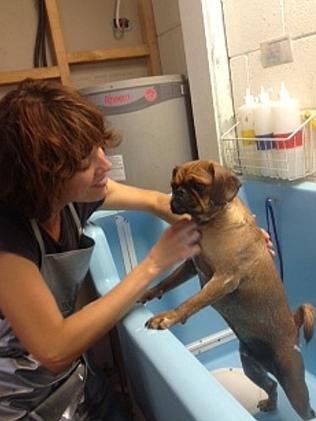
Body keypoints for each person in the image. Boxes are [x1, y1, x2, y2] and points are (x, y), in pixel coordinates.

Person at [0, 78, 272, 420]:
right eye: (86, 162)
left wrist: (238, 236)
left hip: (74, 382)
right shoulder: (8, 237)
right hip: (19, 405)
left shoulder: (71, 198)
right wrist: (154, 264)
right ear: (44, 175)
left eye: (99, 148)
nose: (106, 166)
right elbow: (53, 348)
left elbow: (160, 202)